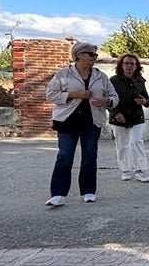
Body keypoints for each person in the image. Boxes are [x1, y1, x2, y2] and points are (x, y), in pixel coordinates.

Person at [44, 41, 118, 207]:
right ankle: (58, 194)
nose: (94, 58)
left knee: (90, 157)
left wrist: (107, 100)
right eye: (91, 54)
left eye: (95, 55)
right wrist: (73, 94)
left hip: (91, 121)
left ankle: (89, 191)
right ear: (79, 55)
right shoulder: (63, 74)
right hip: (67, 120)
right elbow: (50, 95)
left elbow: (114, 96)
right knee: (64, 156)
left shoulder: (100, 76)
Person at [108, 53, 149, 183]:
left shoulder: (140, 80)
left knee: (136, 141)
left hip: (136, 116)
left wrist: (144, 102)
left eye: (132, 63)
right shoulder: (113, 81)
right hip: (119, 117)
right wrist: (116, 113)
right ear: (121, 65)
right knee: (122, 144)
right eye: (126, 63)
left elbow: (147, 100)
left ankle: (140, 170)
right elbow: (108, 100)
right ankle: (125, 169)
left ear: (136, 66)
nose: (129, 66)